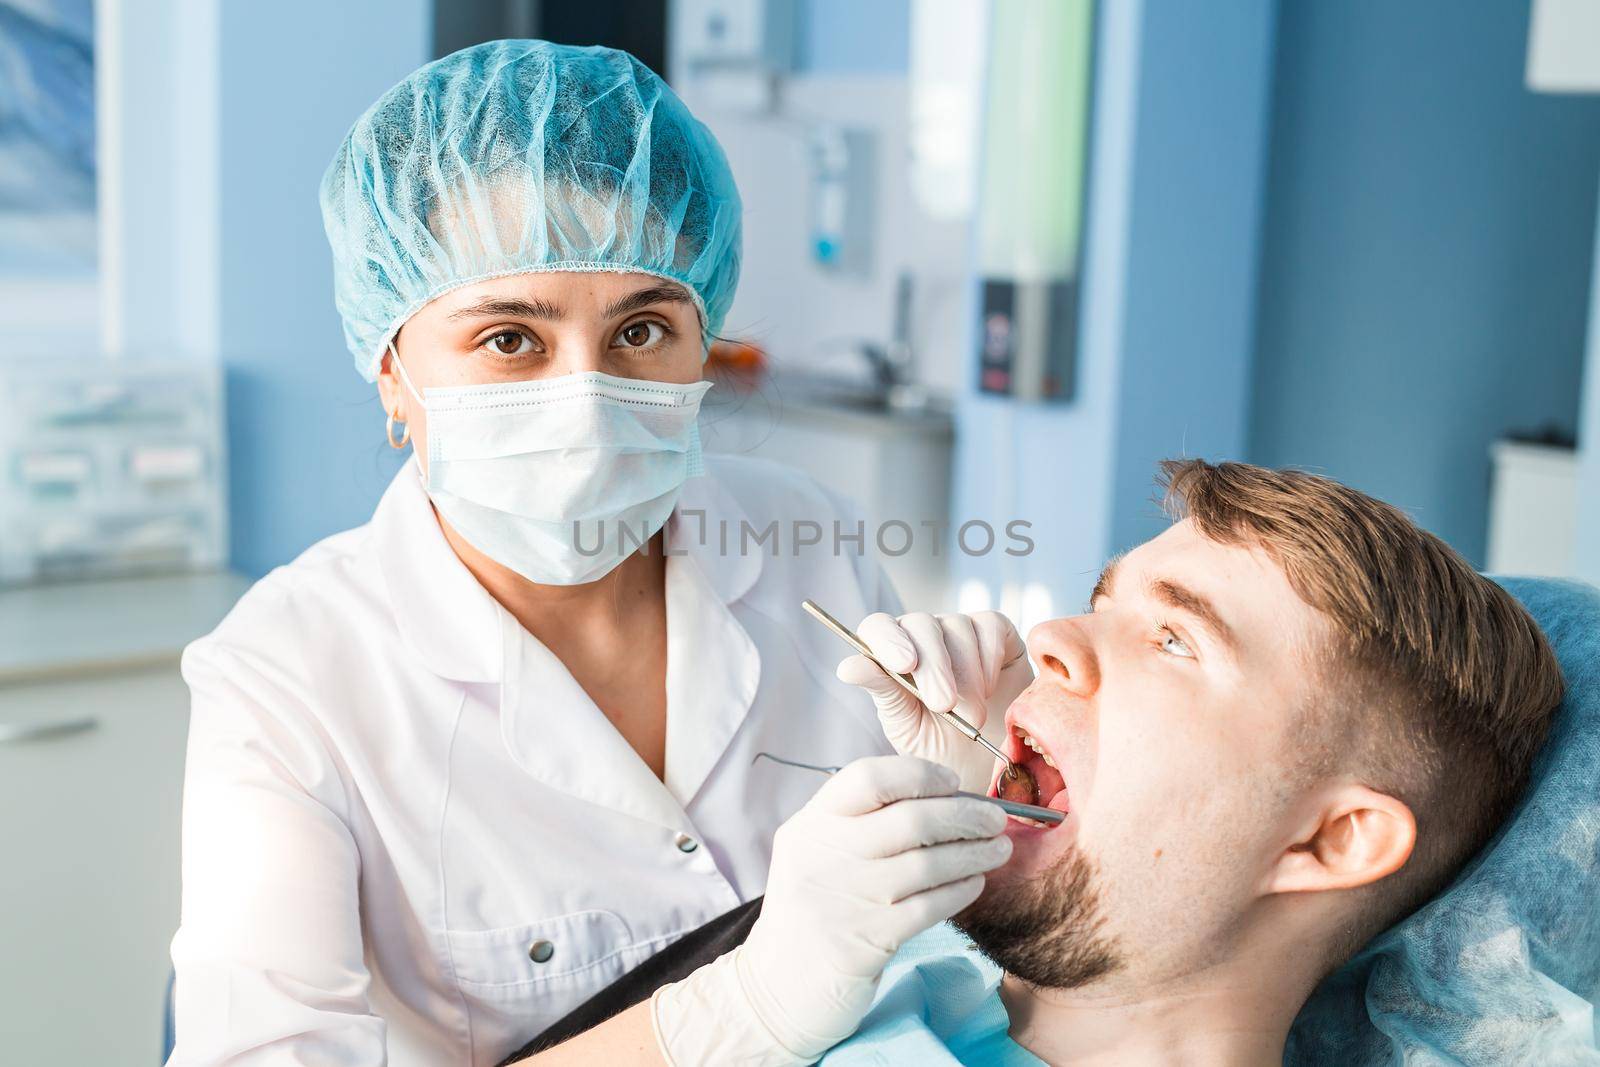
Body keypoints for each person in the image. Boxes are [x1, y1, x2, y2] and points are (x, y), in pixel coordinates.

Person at [166, 40, 1027, 1065]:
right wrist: (753, 1002)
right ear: (394, 373)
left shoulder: (820, 546)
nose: (583, 399)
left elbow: (949, 958)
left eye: (642, 330)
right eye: (509, 340)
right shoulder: (286, 674)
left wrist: (968, 811)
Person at [509, 459, 1565, 1065]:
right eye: (1102, 599)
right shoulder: (907, 975)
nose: (1052, 635)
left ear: (1332, 836)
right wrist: (754, 995)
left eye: (1176, 639)